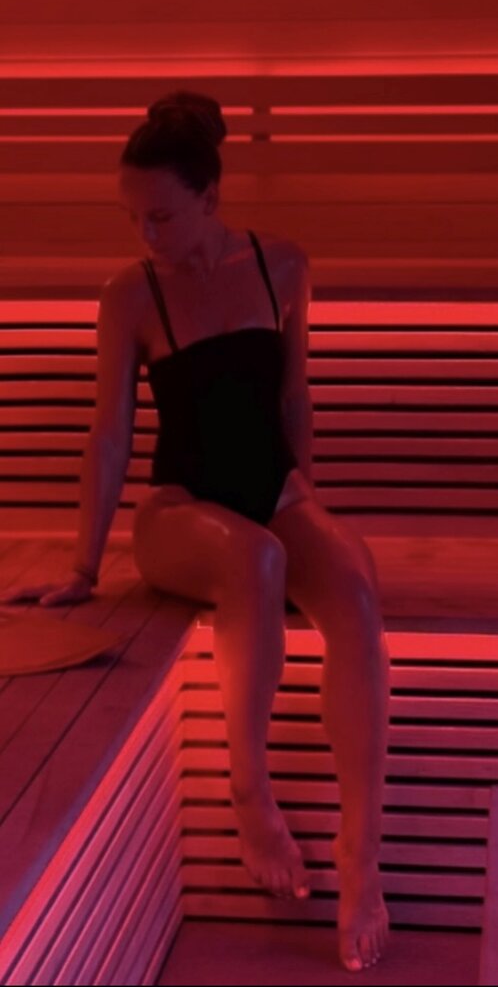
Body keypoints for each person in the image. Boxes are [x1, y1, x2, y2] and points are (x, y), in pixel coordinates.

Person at [0, 90, 391, 973]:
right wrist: (83, 566)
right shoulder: (130, 296)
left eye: (163, 215)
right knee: (254, 558)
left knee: (355, 591)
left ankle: (362, 859)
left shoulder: (282, 265)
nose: (147, 233)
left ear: (210, 196)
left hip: (275, 495)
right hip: (178, 514)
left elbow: (293, 394)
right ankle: (250, 791)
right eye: (133, 217)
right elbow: (110, 434)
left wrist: (309, 497)